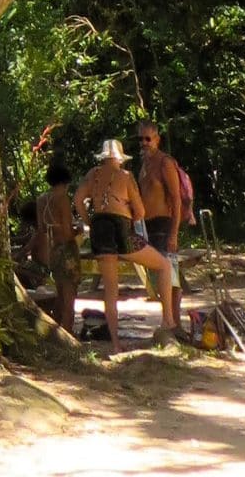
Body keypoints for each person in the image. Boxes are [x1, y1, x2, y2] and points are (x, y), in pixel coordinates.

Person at [77, 138, 174, 345]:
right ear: (120, 158)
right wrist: (128, 210)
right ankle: (168, 320)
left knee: (110, 290)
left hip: (99, 228)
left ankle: (115, 344)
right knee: (163, 265)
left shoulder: (92, 175)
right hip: (120, 226)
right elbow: (140, 212)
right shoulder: (126, 176)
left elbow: (78, 200)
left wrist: (89, 221)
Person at [134, 119, 186, 333]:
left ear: (157, 139)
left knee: (170, 273)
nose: (144, 143)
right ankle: (169, 320)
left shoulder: (165, 162)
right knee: (159, 276)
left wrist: (173, 233)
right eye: (141, 139)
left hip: (164, 224)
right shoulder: (144, 164)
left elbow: (176, 199)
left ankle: (174, 323)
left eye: (148, 138)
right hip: (147, 226)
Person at [33, 159, 80, 332]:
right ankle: (68, 333)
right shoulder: (63, 199)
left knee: (59, 294)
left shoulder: (41, 200)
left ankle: (56, 332)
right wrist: (79, 231)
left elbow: (42, 228)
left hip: (53, 251)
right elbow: (68, 232)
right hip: (67, 249)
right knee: (69, 297)